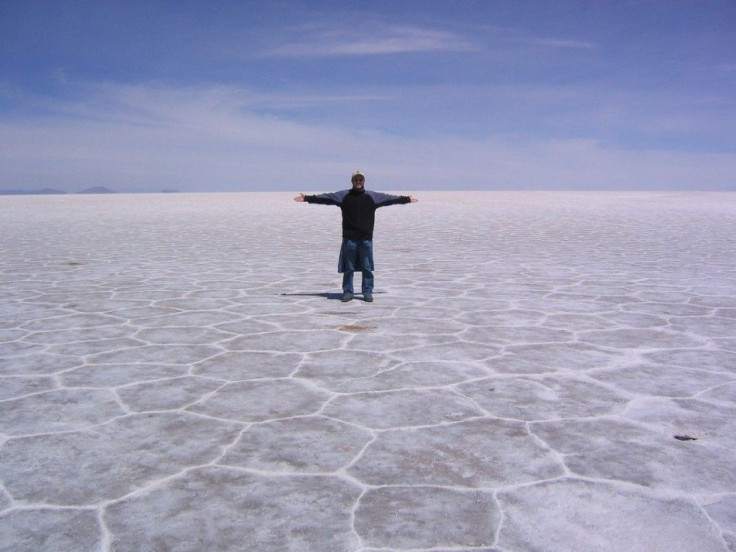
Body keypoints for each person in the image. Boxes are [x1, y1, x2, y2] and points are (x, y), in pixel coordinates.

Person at [294, 171, 418, 302]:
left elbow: (389, 199)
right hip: (349, 238)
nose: (358, 182)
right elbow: (326, 198)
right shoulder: (343, 196)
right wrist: (307, 198)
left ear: (364, 181)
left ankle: (367, 292)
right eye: (355, 180)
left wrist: (407, 199)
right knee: (349, 268)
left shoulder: (372, 196)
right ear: (352, 181)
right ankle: (348, 292)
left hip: (366, 239)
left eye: (360, 180)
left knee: (367, 267)